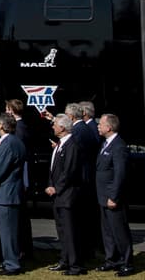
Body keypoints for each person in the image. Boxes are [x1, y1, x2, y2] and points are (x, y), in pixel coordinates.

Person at [0, 113, 27, 277]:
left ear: (1, 126)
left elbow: (0, 169)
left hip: (6, 193)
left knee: (8, 232)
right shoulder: (15, 141)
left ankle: (12, 264)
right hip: (8, 192)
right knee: (8, 231)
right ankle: (9, 260)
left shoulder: (9, 143)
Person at [95, 113, 134, 276]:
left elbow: (120, 174)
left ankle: (127, 263)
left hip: (112, 197)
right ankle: (112, 259)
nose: (98, 126)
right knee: (108, 231)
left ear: (109, 127)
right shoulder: (105, 144)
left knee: (119, 231)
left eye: (100, 124)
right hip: (103, 196)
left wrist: (114, 196)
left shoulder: (118, 146)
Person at [46, 113, 85, 276]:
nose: (53, 126)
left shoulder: (72, 146)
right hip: (58, 196)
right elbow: (54, 168)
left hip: (67, 195)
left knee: (70, 231)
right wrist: (50, 184)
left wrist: (57, 187)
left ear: (62, 127)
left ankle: (75, 265)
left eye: (54, 124)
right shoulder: (60, 145)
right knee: (62, 230)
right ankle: (65, 260)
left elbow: (69, 171)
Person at [67, 102, 101, 263]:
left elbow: (76, 155)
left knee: (83, 219)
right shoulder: (85, 128)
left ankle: (85, 251)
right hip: (86, 177)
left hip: (82, 178)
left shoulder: (79, 130)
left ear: (71, 116)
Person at [6, 99, 33, 262]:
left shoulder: (20, 129)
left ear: (11, 110)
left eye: (7, 109)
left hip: (20, 176)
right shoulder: (22, 127)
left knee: (21, 216)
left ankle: (24, 249)